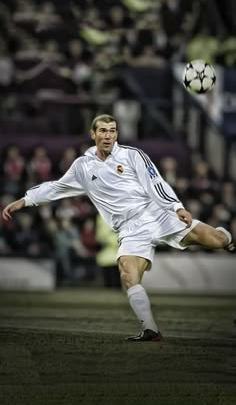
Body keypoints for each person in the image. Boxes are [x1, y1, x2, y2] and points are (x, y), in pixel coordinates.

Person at [2, 114, 235, 342]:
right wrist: (25, 200)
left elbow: (156, 182)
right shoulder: (83, 166)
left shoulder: (133, 155)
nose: (108, 135)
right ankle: (150, 329)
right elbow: (57, 187)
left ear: (117, 134)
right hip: (130, 229)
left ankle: (226, 237)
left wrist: (176, 207)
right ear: (93, 134)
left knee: (216, 241)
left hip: (157, 213)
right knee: (127, 272)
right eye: (103, 131)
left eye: (112, 131)